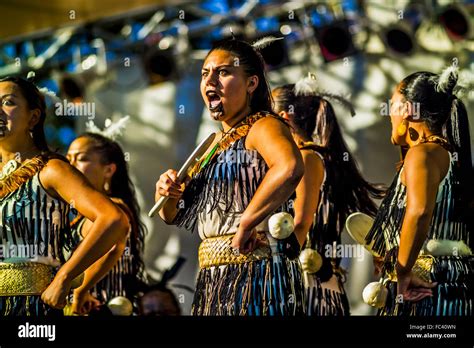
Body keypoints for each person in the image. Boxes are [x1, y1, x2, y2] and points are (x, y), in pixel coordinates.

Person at [154, 38, 305, 315]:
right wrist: (166, 194)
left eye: (223, 72)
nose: (210, 80)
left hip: (256, 273)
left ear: (251, 83)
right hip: (215, 280)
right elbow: (172, 215)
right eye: (204, 73)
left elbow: (289, 168)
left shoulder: (263, 126)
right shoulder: (213, 145)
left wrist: (247, 222)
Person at [0, 76, 129, 316]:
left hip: (31, 308)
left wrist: (64, 278)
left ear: (33, 117)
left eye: (8, 102)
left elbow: (113, 220)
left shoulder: (51, 170)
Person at [365, 67, 473, 315]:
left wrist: (403, 271)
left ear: (406, 110)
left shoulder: (422, 153)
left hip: (425, 289)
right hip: (451, 287)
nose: (389, 114)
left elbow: (421, 210)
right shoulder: (449, 158)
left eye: (392, 105)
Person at [272, 77, 384, 315]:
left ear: (283, 118)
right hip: (319, 283)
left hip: (308, 285)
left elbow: (301, 223)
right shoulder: (315, 158)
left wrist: (274, 272)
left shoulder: (307, 158)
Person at [66, 127, 146, 314]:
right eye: (68, 158)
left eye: (81, 158)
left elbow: (111, 247)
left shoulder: (112, 209)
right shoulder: (79, 214)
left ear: (109, 170)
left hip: (105, 308)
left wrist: (79, 292)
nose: (70, 165)